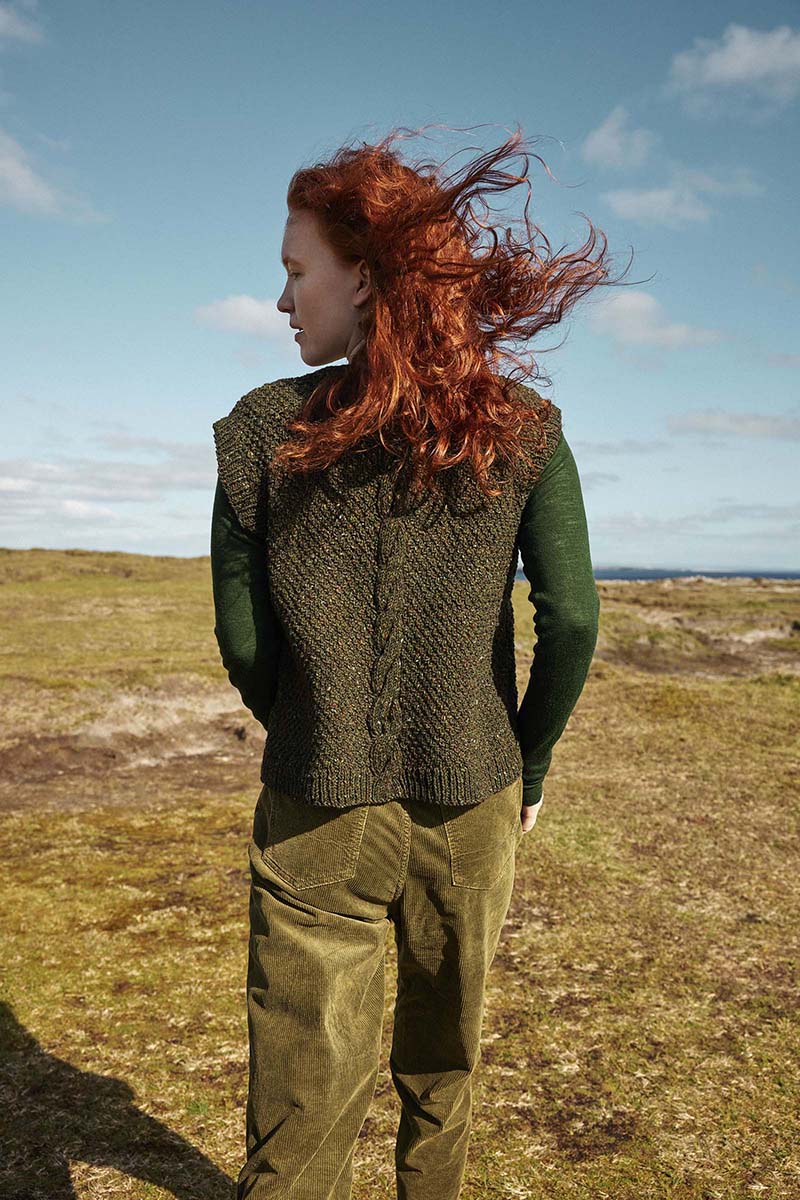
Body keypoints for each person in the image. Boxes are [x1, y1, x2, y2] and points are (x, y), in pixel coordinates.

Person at [210, 125, 630, 1200]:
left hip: (316, 804)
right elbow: (572, 621)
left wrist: (311, 720)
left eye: (294, 271)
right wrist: (528, 765)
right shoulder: (522, 427)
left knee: (301, 1104)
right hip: (473, 795)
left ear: (363, 275)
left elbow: (244, 637)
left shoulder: (261, 430)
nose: (280, 300)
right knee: (444, 1067)